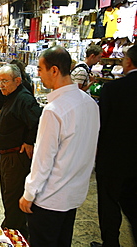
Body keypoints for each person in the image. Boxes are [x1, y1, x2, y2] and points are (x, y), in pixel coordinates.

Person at [19, 46, 100, 247]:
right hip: (73, 195)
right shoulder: (89, 103)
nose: (38, 74)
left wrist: (29, 193)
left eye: (40, 69)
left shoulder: (54, 110)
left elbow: (43, 159)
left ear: (54, 70)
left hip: (50, 198)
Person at [90, 45, 137, 247]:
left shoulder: (114, 89)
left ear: (128, 62)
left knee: (109, 204)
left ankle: (110, 243)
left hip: (113, 159)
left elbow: (102, 125)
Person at [0, 64, 42, 239]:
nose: (1, 85)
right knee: (8, 198)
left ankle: (14, 235)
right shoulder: (12, 95)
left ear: (17, 80)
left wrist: (29, 141)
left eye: (5, 81)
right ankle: (13, 232)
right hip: (6, 156)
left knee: (13, 200)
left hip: (16, 157)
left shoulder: (24, 98)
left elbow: (37, 122)